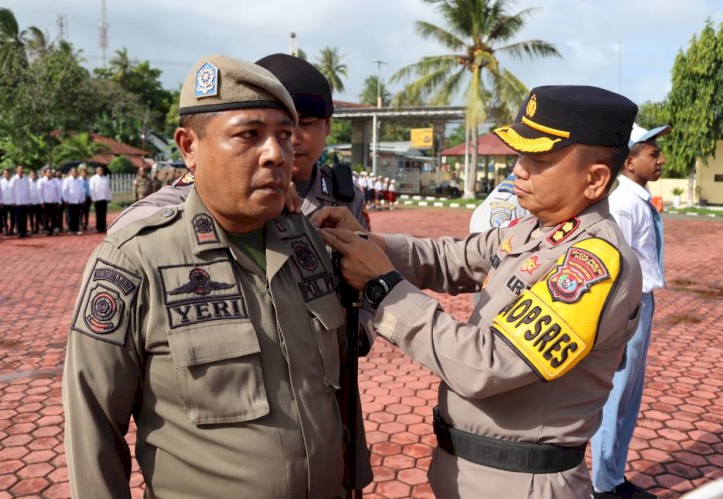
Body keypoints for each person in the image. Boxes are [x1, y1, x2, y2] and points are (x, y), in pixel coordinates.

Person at [316, 85, 644, 498]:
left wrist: (383, 287)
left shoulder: (593, 265)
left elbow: (484, 366)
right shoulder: (536, 228)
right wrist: (368, 241)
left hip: (523, 483)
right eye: (520, 155)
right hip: (473, 473)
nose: (519, 170)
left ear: (594, 179)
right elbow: (448, 257)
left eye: (538, 160)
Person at [63, 54, 347, 498]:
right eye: (249, 135)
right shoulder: (135, 259)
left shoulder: (305, 241)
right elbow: (92, 424)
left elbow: (338, 390)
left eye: (285, 136)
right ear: (188, 147)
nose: (277, 154)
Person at [110, 53, 368, 233]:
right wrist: (229, 206)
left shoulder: (343, 194)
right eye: (255, 132)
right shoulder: (209, 187)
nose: (288, 142)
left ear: (328, 127)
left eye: (305, 123)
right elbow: (126, 229)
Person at [589, 124, 670, 499]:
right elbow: (613, 267)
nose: (660, 159)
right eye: (652, 153)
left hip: (642, 303)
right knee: (616, 396)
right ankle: (602, 484)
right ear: (629, 159)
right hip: (628, 307)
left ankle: (613, 476)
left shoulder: (639, 200)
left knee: (629, 397)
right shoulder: (623, 204)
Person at [61, 167, 84, 235]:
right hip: (69, 201)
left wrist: (82, 199)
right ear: (70, 172)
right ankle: (70, 229)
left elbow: (81, 191)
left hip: (77, 201)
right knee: (69, 216)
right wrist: (66, 199)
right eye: (73, 171)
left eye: (76, 172)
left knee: (77, 216)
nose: (75, 173)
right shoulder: (67, 180)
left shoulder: (79, 180)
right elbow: (64, 191)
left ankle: (76, 229)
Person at [89, 165, 112, 233]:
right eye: (99, 170)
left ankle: (103, 227)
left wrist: (109, 197)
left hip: (104, 198)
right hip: (97, 199)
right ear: (96, 171)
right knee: (98, 214)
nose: (100, 171)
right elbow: (92, 190)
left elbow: (108, 188)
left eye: (101, 170)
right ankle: (98, 227)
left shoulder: (106, 178)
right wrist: (93, 199)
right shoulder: (93, 178)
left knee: (104, 214)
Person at [38, 168, 60, 236]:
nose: (50, 173)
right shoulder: (41, 181)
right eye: (48, 172)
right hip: (45, 202)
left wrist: (58, 201)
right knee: (45, 217)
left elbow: (58, 192)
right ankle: (46, 229)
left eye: (51, 172)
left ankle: (52, 230)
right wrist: (41, 201)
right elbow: (40, 192)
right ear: (45, 173)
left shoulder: (55, 181)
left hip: (53, 201)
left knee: (53, 217)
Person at [10, 165, 30, 238]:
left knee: (24, 218)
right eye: (20, 168)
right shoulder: (14, 179)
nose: (21, 170)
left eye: (22, 168)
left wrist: (28, 201)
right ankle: (19, 232)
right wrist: (12, 201)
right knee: (18, 218)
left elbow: (28, 190)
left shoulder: (26, 178)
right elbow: (11, 191)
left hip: (24, 201)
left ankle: (24, 232)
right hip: (17, 202)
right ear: (17, 170)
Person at [0, 169, 14, 235]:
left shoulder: (13, 181)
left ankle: (11, 229)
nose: (7, 174)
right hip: (4, 202)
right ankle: (6, 229)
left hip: (12, 202)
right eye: (5, 173)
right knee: (4, 217)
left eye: (8, 173)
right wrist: (0, 202)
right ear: (3, 174)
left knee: (13, 217)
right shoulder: (1, 182)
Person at [28, 170, 42, 234]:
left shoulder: (39, 182)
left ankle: (37, 228)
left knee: (38, 216)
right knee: (31, 217)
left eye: (34, 174)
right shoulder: (27, 183)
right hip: (30, 202)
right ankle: (32, 228)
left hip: (37, 202)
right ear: (30, 175)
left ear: (36, 175)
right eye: (32, 174)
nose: (33, 176)